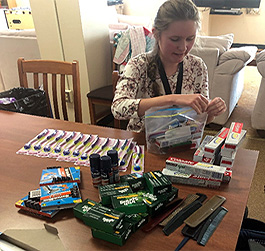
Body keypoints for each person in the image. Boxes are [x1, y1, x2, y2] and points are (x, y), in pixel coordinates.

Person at [111, 0, 226, 132]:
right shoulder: (139, 65)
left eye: (190, 38)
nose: (183, 47)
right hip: (143, 143)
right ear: (156, 34)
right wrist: (174, 99)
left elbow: (202, 118)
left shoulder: (197, 66)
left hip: (183, 141)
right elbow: (118, 108)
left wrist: (211, 110)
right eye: (175, 39)